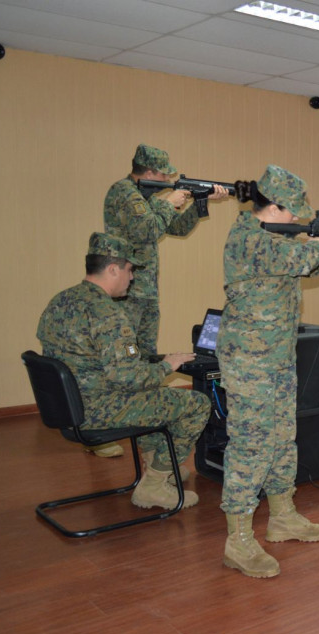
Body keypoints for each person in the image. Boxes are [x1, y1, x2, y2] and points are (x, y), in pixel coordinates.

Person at [218, 165, 319, 578]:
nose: (296, 217)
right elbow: (304, 259)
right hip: (249, 360)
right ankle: (237, 541)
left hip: (276, 355)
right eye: (291, 211)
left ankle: (282, 515)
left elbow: (310, 262)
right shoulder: (248, 238)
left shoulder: (276, 238)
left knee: (281, 436)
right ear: (272, 206)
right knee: (250, 445)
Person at [36, 232, 211, 510]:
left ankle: (156, 467)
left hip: (69, 407)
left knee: (154, 395)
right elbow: (130, 378)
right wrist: (169, 365)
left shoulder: (61, 301)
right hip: (97, 410)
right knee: (197, 404)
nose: (131, 278)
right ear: (113, 269)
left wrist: (154, 362)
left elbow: (95, 361)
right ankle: (153, 486)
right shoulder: (109, 314)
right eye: (129, 270)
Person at [100, 143, 227, 458]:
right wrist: (170, 199)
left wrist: (199, 201)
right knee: (120, 360)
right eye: (163, 173)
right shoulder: (123, 193)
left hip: (145, 292)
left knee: (143, 361)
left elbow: (178, 229)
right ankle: (101, 431)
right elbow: (146, 229)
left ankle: (142, 428)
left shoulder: (148, 199)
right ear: (149, 172)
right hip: (123, 293)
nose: (168, 179)